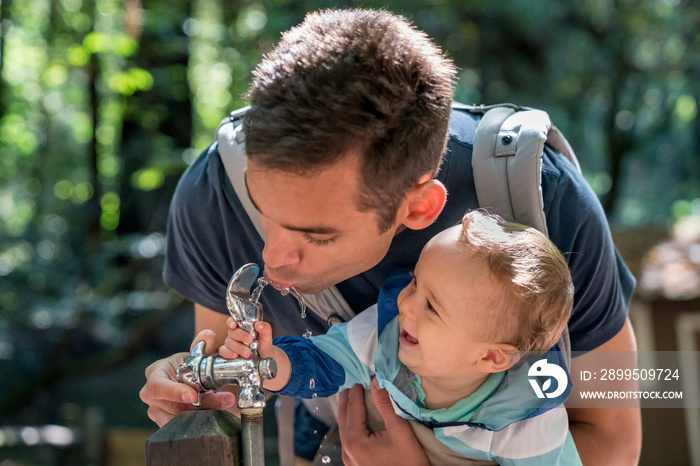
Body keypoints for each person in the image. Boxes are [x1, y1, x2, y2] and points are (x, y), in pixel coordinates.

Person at [140, 8, 641, 465]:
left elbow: (614, 439)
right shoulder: (214, 197)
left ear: (420, 208)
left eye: (317, 236)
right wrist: (192, 385)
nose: (271, 262)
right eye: (264, 213)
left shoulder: (542, 198)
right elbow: (227, 375)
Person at [221, 210, 582, 465]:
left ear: (491, 358)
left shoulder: (527, 422)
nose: (405, 304)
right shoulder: (389, 333)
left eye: (433, 308)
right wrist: (270, 363)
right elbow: (322, 362)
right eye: (414, 281)